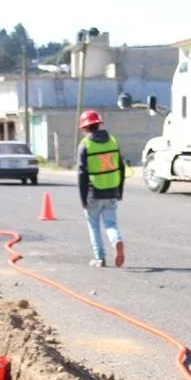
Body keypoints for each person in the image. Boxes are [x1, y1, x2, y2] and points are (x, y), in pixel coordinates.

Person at [76, 108, 125, 268]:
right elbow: (121, 167)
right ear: (98, 124)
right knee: (111, 223)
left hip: (93, 191)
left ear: (85, 127)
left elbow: (82, 174)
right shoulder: (112, 140)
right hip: (111, 189)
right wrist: (120, 191)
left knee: (94, 225)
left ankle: (100, 258)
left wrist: (83, 198)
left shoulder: (85, 145)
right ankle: (116, 241)